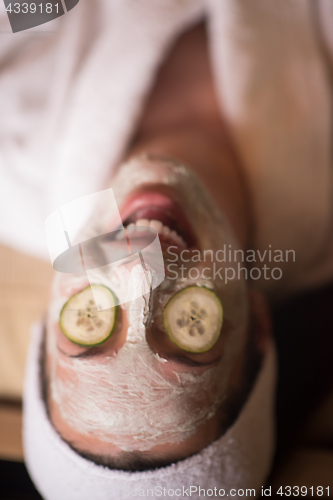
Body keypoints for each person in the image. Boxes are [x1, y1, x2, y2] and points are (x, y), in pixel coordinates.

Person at [0, 1, 332, 499]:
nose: (138, 271)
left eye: (91, 321)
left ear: (51, 317)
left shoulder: (12, 166)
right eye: (186, 331)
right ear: (259, 328)